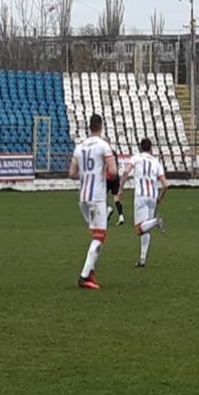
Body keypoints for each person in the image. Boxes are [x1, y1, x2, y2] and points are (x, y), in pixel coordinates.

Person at [69, 114, 117, 289]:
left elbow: (72, 173)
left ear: (89, 127)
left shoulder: (80, 147)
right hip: (97, 197)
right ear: (101, 127)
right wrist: (104, 176)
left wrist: (86, 176)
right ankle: (84, 276)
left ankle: (91, 271)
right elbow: (113, 171)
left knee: (97, 233)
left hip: (83, 197)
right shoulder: (103, 146)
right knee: (99, 236)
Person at [118, 138, 168, 268]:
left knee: (139, 228)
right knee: (146, 228)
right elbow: (165, 185)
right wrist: (160, 198)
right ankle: (143, 258)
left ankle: (156, 221)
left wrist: (121, 188)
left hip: (141, 195)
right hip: (153, 196)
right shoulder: (156, 162)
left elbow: (125, 172)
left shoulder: (136, 158)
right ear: (151, 148)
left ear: (140, 147)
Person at [104, 139, 126, 226]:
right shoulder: (113, 152)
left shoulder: (104, 153)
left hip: (107, 177)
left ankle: (108, 208)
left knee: (102, 196)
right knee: (116, 198)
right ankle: (121, 216)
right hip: (115, 176)